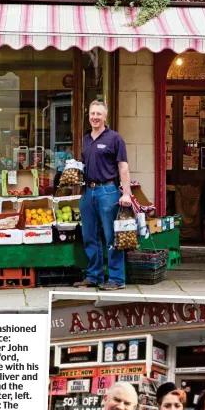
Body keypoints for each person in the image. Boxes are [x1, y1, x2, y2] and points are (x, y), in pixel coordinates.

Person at [74, 100, 132, 290]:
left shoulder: (115, 138)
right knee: (90, 235)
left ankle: (116, 279)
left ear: (105, 117)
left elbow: (123, 166)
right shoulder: (85, 139)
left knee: (111, 236)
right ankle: (94, 276)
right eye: (92, 114)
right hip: (88, 191)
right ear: (88, 116)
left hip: (108, 191)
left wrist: (127, 193)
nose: (95, 117)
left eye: (99, 114)